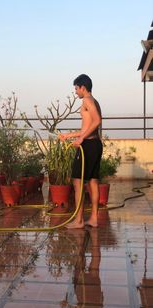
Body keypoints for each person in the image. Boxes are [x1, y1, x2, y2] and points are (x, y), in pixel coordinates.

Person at [59, 74, 102, 228]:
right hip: (95, 144)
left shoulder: (87, 100)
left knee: (77, 182)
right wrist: (69, 135)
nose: (75, 92)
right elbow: (87, 127)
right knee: (93, 181)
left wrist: (82, 139)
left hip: (89, 145)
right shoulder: (94, 101)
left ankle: (79, 221)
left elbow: (97, 121)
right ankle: (94, 219)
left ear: (83, 87)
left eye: (76, 88)